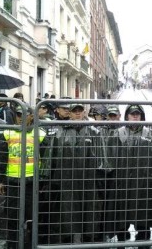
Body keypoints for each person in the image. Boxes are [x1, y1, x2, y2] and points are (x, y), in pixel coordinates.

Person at [48, 103, 108, 244]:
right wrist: (50, 175)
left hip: (89, 179)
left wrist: (101, 176)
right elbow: (52, 155)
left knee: (90, 208)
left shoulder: (94, 131)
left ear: (84, 112)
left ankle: (89, 237)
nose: (77, 113)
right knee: (68, 209)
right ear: (69, 113)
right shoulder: (61, 131)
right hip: (68, 178)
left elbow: (102, 157)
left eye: (79, 110)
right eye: (74, 111)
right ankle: (68, 237)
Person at [105, 104, 152, 244]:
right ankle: (121, 234)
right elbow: (110, 157)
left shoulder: (151, 133)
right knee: (121, 209)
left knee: (143, 209)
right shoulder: (117, 133)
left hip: (144, 181)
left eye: (138, 113)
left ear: (142, 116)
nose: (135, 116)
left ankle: (143, 235)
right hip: (123, 180)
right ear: (127, 116)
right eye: (132, 114)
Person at [0, 105, 49, 249]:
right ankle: (13, 245)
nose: (21, 117)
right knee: (13, 218)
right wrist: (0, 181)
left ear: (32, 116)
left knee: (32, 217)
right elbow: (1, 159)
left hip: (32, 182)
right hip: (13, 182)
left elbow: (46, 160)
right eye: (19, 114)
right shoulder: (8, 133)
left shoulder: (40, 133)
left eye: (25, 115)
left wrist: (43, 181)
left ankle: (30, 245)